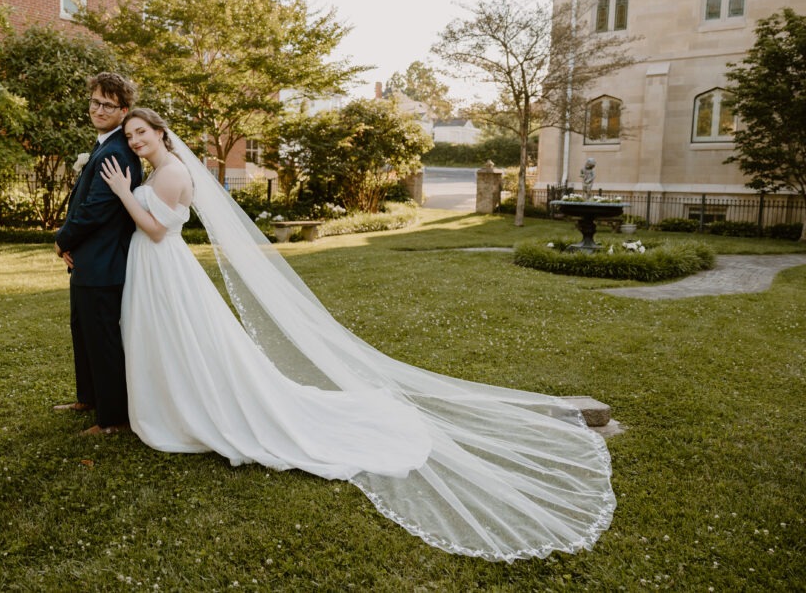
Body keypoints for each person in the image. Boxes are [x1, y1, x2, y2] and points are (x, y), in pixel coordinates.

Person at [101, 108, 615, 562]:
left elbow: (157, 229)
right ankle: (175, 399)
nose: (137, 140)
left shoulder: (169, 174)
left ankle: (188, 409)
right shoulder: (162, 168)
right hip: (159, 269)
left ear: (161, 133)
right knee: (173, 339)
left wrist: (125, 194)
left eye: (142, 131)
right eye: (132, 134)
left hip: (163, 261)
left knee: (180, 336)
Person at [52, 73, 143, 436]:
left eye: (107, 104)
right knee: (83, 331)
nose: (98, 109)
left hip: (105, 263)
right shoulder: (105, 145)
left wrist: (62, 239)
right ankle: (87, 398)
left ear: (123, 110)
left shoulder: (119, 150)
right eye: (94, 101)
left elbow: (95, 209)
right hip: (88, 259)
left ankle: (113, 419)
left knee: (102, 339)